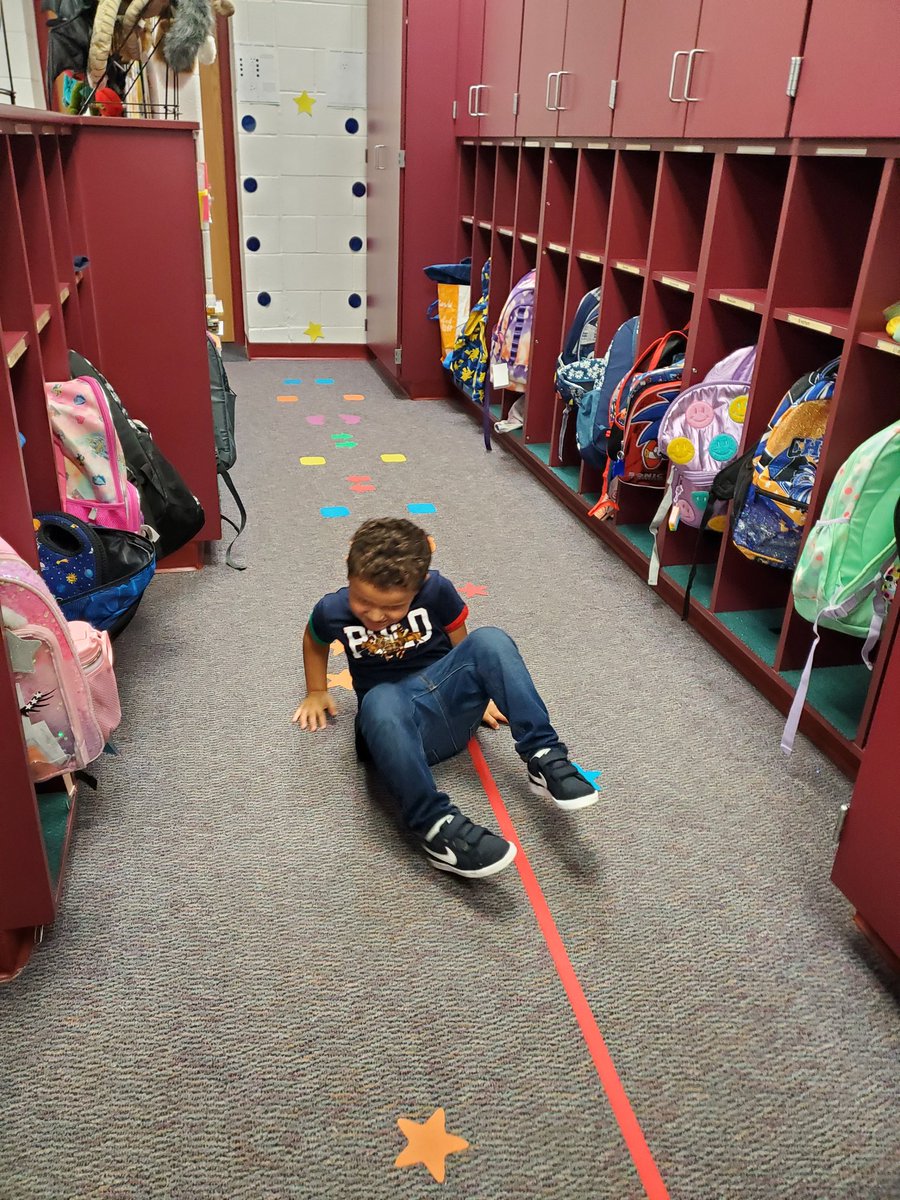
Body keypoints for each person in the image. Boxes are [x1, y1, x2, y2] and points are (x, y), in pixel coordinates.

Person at [293, 518, 597, 880]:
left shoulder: (436, 590)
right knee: (379, 699)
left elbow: (462, 639)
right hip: (400, 732)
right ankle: (436, 827)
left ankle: (543, 753)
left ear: (418, 585)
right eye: (363, 602)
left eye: (391, 608)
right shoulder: (331, 609)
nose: (375, 616)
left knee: (490, 639)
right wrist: (316, 690)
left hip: (453, 709)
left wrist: (484, 692)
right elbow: (314, 639)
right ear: (349, 579)